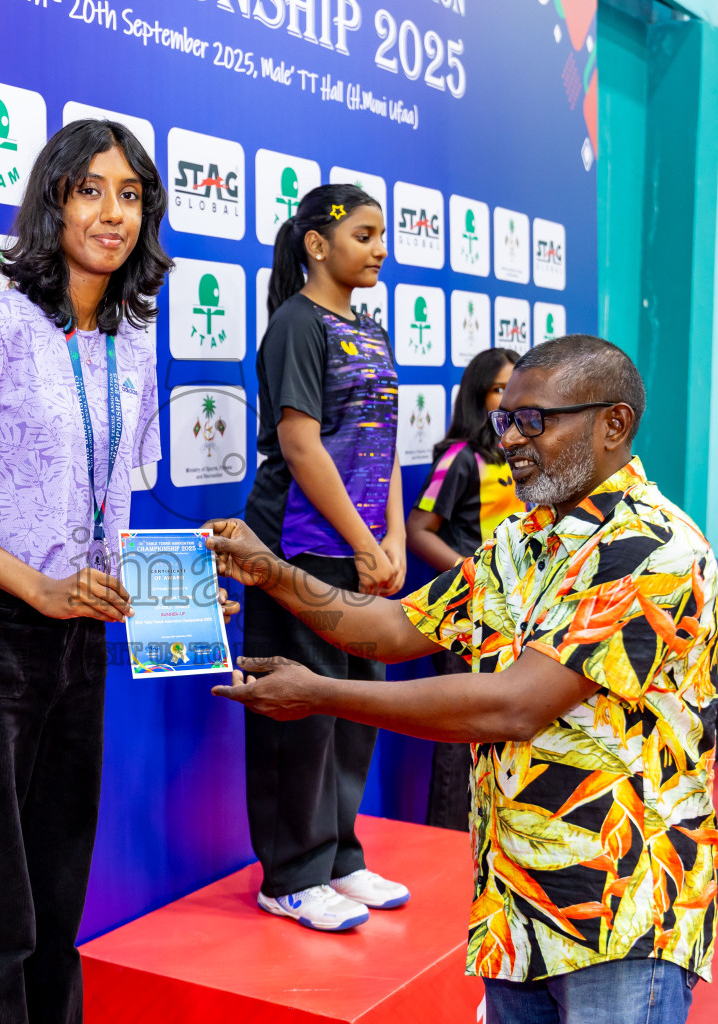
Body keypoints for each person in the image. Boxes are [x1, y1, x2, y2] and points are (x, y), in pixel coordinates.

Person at [207, 335, 718, 1023]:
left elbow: (513, 707)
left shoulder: (656, 552)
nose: (510, 440)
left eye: (534, 420)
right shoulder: (522, 540)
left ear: (614, 425)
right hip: (514, 908)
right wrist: (270, 570)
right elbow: (393, 630)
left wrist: (322, 694)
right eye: (504, 420)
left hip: (621, 912)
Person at [0, 119, 234, 1024]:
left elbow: (110, 500)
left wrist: (183, 581)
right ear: (53, 201)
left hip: (81, 644)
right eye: (91, 190)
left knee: (52, 902)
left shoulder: (134, 340)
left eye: (130, 195)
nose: (112, 213)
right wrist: (35, 585)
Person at [243, 182, 408, 932]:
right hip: (298, 546)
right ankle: (290, 874)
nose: (380, 250)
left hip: (364, 554)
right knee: (301, 708)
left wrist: (393, 541)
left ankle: (340, 858)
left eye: (383, 237)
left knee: (353, 705)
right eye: (365, 235)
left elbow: (384, 444)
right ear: (318, 243)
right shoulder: (296, 325)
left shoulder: (371, 329)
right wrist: (365, 542)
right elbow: (301, 445)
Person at [407, 347, 523, 831]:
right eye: (500, 389)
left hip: (516, 614)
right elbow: (419, 530)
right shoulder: (459, 457)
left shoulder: (523, 453)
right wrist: (472, 574)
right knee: (459, 736)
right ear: (479, 396)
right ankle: (446, 836)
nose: (509, 399)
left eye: (516, 389)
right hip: (465, 612)